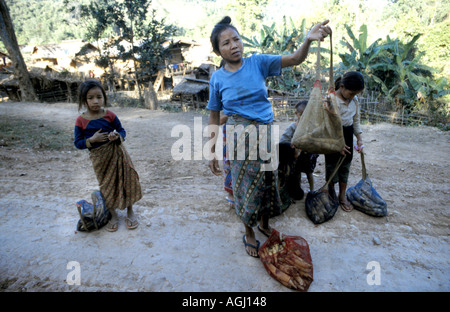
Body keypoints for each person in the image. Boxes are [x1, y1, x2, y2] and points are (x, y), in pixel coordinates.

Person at [207, 16, 331, 257]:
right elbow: (214, 116)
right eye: (226, 43)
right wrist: (211, 149)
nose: (234, 45)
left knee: (267, 181)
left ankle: (263, 224)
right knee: (244, 188)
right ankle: (249, 232)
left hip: (264, 134)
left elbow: (296, 59)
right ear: (217, 50)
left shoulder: (259, 63)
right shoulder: (217, 78)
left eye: (236, 39)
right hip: (238, 138)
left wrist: (308, 39)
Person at [74, 79, 142, 232]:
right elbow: (78, 143)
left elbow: (122, 131)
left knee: (127, 180)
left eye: (99, 97)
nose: (95, 101)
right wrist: (91, 140)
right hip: (100, 160)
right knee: (106, 186)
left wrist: (116, 136)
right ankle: (112, 214)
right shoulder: (81, 121)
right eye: (90, 98)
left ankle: (130, 211)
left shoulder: (110, 115)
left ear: (103, 97)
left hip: (118, 154)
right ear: (84, 100)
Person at [325, 71, 365, 212]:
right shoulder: (331, 100)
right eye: (351, 93)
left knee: (345, 166)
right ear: (342, 87)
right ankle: (331, 193)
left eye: (355, 94)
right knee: (332, 166)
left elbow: (356, 121)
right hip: (332, 136)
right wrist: (337, 144)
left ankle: (342, 195)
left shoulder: (354, 101)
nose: (353, 97)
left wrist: (359, 139)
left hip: (347, 135)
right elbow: (328, 125)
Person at [278, 100, 319, 199]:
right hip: (296, 155)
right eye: (301, 115)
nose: (304, 118)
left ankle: (312, 189)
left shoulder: (312, 128)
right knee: (296, 172)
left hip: (308, 155)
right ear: (296, 114)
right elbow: (283, 140)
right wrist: (292, 144)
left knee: (309, 172)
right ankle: (295, 188)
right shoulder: (292, 127)